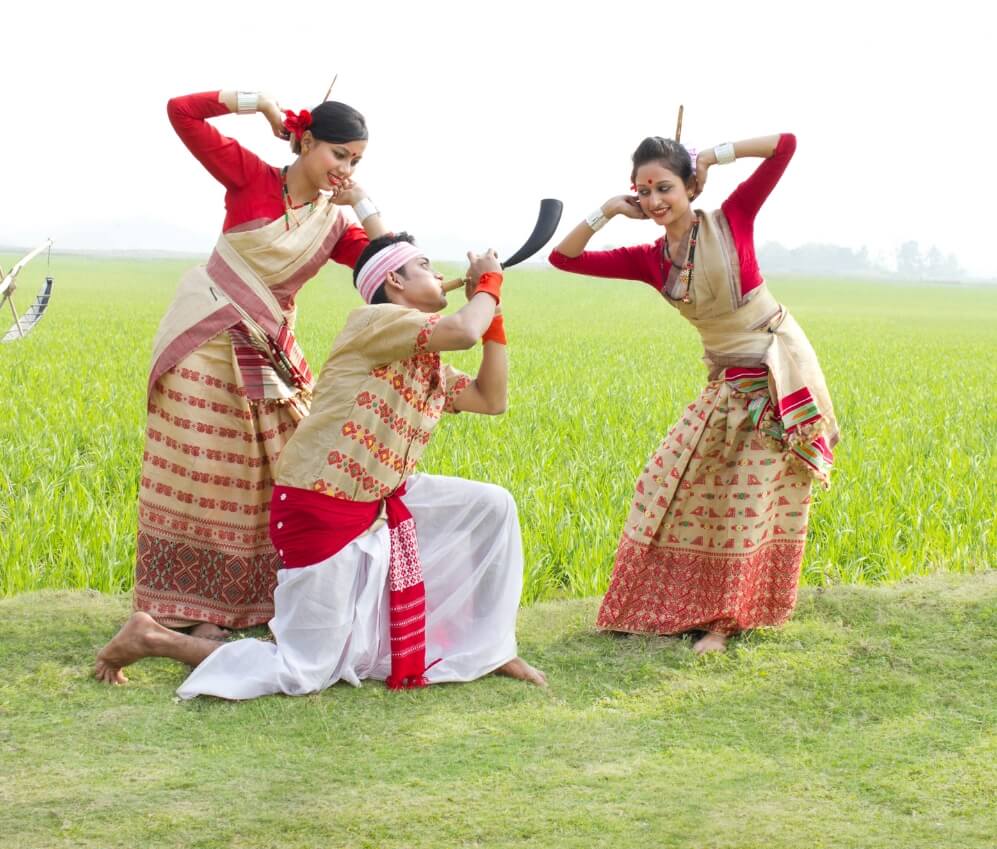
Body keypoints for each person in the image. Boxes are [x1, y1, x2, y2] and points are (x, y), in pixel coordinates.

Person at [96, 235, 545, 694]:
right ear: (394, 280)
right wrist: (488, 283)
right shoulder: (376, 322)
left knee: (492, 506)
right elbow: (464, 332)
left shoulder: (423, 356)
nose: (436, 273)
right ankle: (152, 637)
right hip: (321, 507)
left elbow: (492, 399)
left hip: (382, 499)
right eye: (424, 266)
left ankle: (489, 647)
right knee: (303, 670)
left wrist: (496, 313)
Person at [549, 132, 838, 653]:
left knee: (743, 500)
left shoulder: (733, 220)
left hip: (774, 378)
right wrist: (608, 211)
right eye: (644, 191)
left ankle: (723, 625)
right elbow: (563, 259)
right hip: (727, 383)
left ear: (688, 188)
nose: (656, 200)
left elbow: (787, 145)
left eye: (665, 187)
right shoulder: (649, 258)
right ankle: (665, 604)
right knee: (665, 479)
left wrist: (711, 155)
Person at [133, 89, 389, 639]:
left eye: (356, 161)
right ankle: (188, 613)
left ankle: (258, 605)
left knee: (284, 468)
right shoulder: (249, 176)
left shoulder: (334, 224)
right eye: (339, 155)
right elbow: (180, 110)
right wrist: (261, 104)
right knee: (208, 473)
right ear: (307, 141)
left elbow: (387, 269)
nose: (344, 169)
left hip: (269, 351)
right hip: (204, 339)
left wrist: (363, 202)